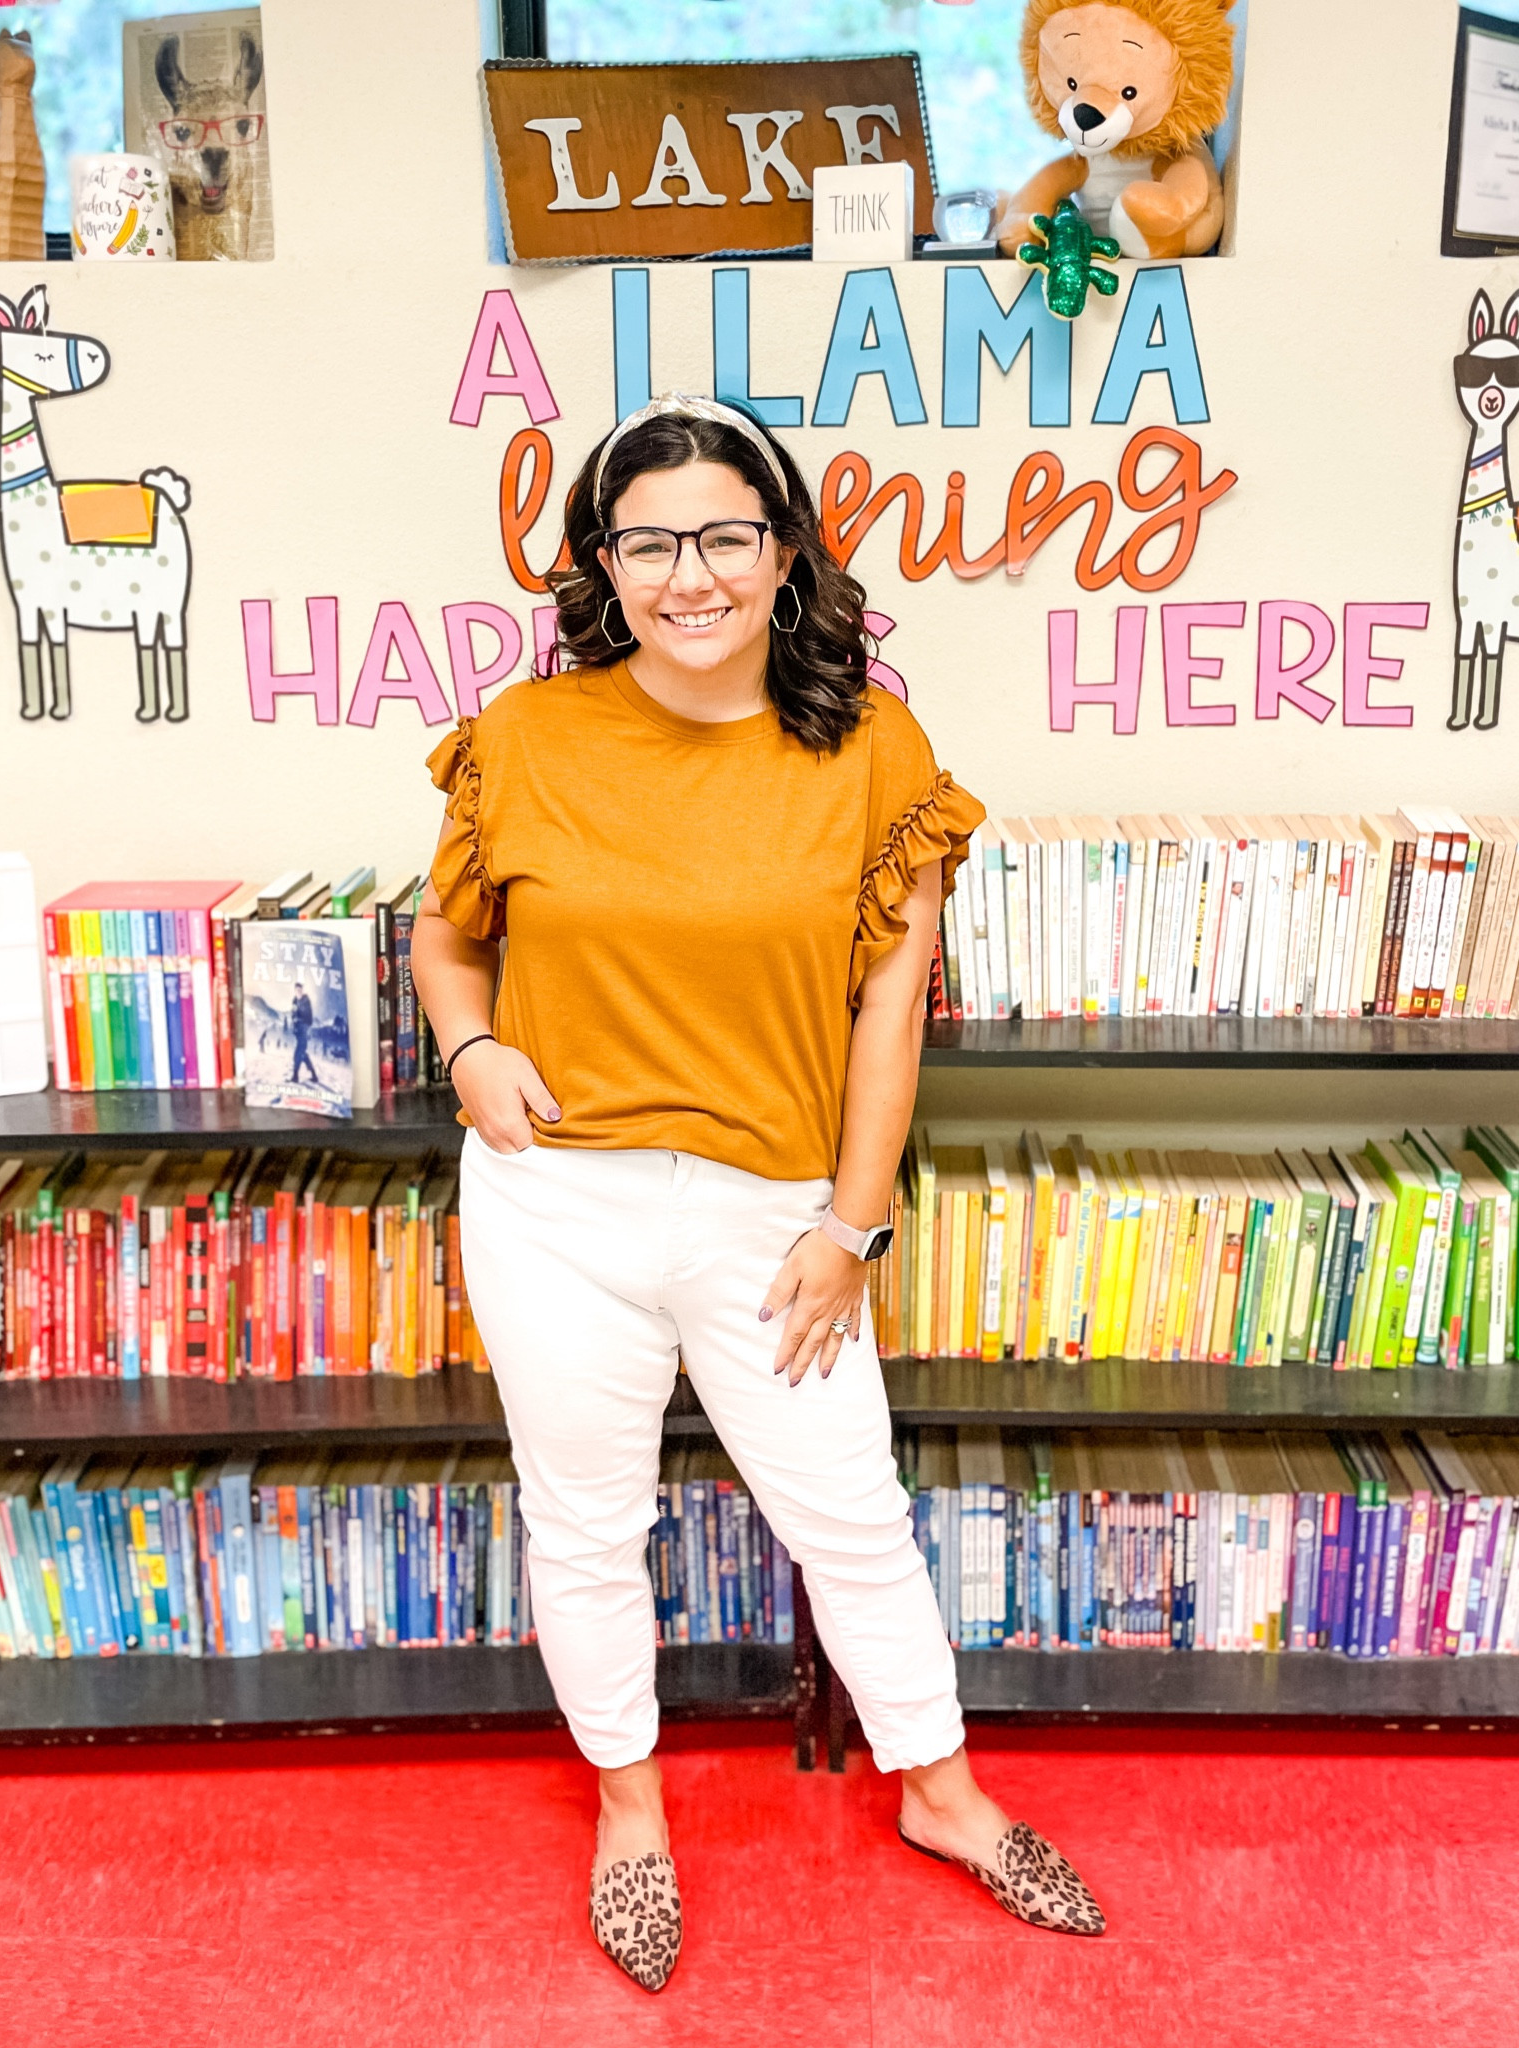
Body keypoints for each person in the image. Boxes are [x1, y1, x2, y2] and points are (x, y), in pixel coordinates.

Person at [411, 393, 1105, 1993]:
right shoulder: (526, 737)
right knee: (587, 1525)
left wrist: (852, 1226)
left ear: (784, 553)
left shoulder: (872, 750)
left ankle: (940, 1793)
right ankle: (631, 1811)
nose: (690, 572)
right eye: (648, 542)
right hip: (552, 1201)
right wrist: (468, 1052)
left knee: (849, 1515)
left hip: (772, 1214)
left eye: (726, 533)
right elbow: (450, 932)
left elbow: (890, 1004)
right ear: (602, 565)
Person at [288, 980, 317, 1084]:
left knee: (298, 1054)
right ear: (295, 991)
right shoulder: (294, 1001)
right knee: (302, 1054)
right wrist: (294, 1020)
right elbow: (292, 1014)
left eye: (300, 990)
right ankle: (314, 1075)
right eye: (297, 990)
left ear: (302, 990)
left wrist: (300, 1021)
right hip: (298, 1031)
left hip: (304, 1030)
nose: (298, 992)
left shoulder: (305, 1000)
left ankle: (295, 1076)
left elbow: (309, 1018)